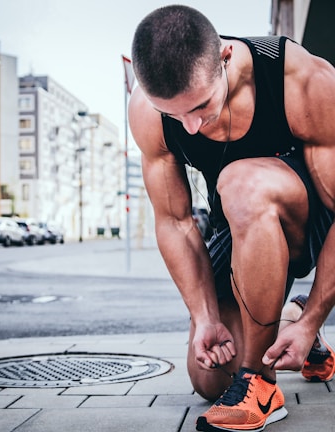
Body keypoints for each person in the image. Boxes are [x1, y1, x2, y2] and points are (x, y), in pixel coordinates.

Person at [128, 5, 335, 432]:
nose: (188, 126)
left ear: (225, 58)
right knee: (209, 378)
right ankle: (289, 324)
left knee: (240, 183)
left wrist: (319, 312)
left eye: (200, 106)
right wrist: (204, 316)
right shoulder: (148, 110)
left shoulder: (297, 77)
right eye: (173, 114)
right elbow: (175, 221)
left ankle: (261, 384)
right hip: (239, 225)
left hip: (308, 218)